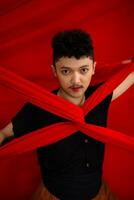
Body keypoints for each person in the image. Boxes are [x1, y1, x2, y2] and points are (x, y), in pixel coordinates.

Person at [0, 29, 133, 200]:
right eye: (66, 71)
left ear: (93, 68)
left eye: (83, 70)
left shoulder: (100, 97)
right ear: (54, 70)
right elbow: (5, 133)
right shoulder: (39, 107)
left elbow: (131, 74)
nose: (76, 80)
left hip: (97, 194)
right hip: (53, 195)